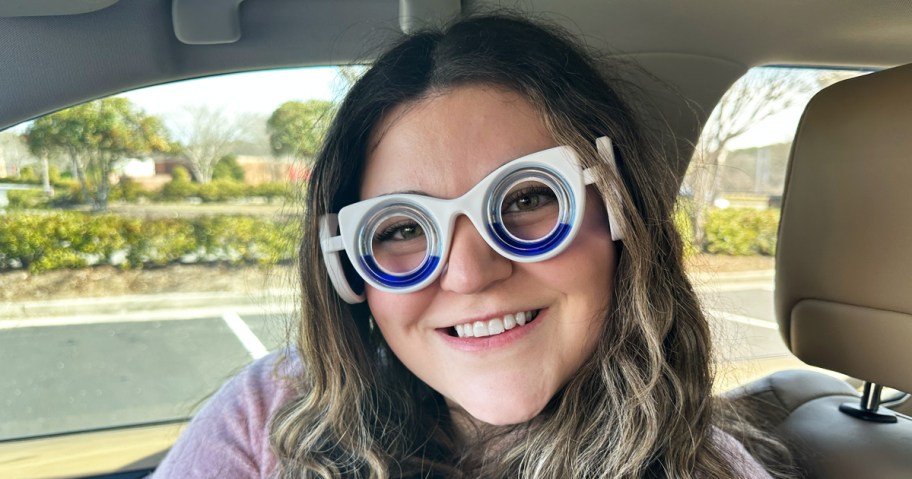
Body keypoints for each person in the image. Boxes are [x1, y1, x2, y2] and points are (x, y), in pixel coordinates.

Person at [154, 13, 795, 478]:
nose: (467, 274)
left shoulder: (710, 468)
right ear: (349, 272)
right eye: (402, 229)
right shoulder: (270, 416)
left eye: (526, 198)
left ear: (621, 212)